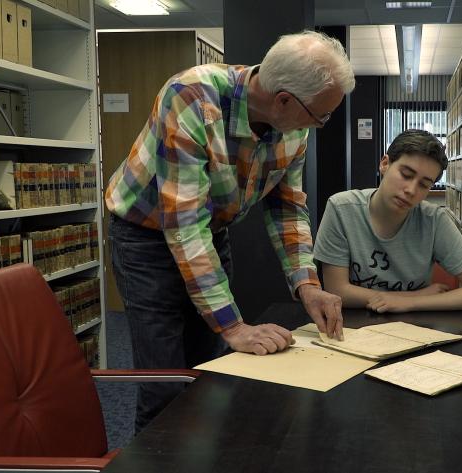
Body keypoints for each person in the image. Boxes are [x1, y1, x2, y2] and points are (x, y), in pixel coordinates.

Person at [105, 30, 351, 431]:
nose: (320, 125)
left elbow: (287, 207)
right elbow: (184, 225)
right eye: (319, 115)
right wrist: (235, 326)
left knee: (212, 367)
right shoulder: (191, 96)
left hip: (209, 229)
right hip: (144, 236)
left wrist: (308, 284)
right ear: (284, 100)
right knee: (166, 380)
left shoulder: (294, 124)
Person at [313, 129, 462, 313]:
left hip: (415, 327)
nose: (411, 189)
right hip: (352, 327)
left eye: (424, 184)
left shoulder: (434, 220)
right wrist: (418, 295)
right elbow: (337, 291)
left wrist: (408, 303)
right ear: (385, 164)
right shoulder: (341, 208)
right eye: (406, 175)